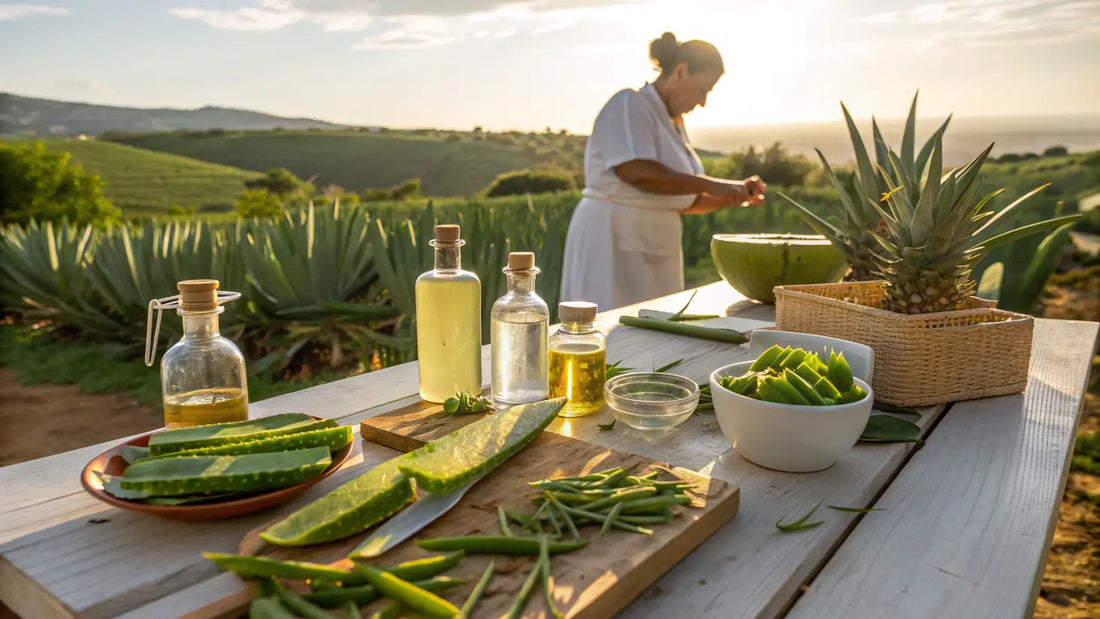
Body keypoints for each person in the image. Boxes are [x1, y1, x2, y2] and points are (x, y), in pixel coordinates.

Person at [560, 32, 767, 311]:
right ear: (681, 71)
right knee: (607, 333)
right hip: (612, 240)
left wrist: (736, 193)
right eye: (702, 89)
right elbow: (638, 173)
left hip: (656, 246)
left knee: (653, 340)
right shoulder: (629, 104)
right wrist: (719, 185)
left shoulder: (674, 124)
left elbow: (685, 198)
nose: (703, 102)